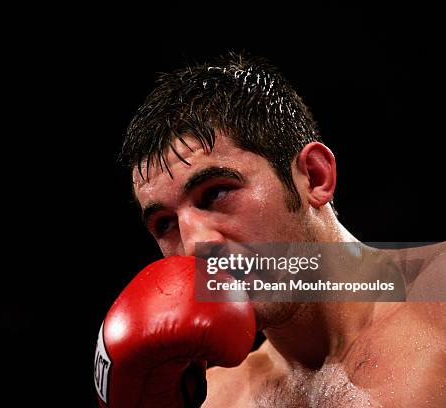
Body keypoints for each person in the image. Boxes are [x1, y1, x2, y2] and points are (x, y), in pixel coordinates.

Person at [95, 52, 445, 407]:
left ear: (313, 176)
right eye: (165, 224)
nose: (194, 245)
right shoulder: (216, 398)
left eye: (215, 193)